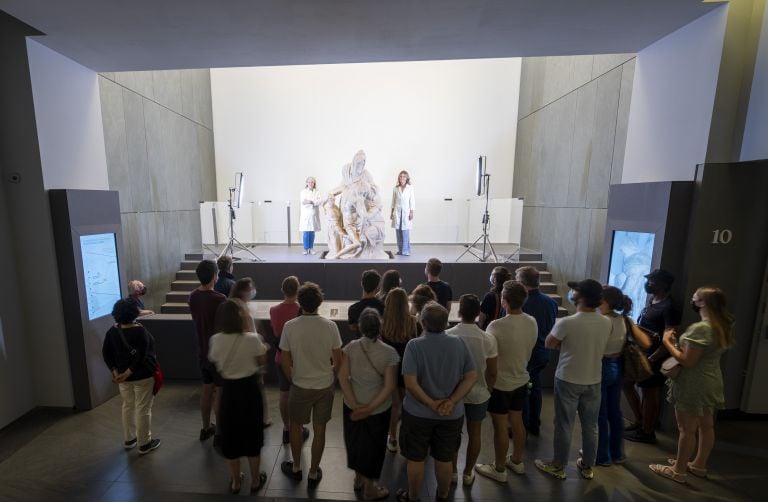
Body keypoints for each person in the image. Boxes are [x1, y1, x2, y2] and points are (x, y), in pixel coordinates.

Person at [649, 286, 735, 483]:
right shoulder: (722, 324)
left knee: (686, 430)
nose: (692, 299)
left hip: (694, 383)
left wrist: (667, 341)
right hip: (712, 380)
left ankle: (678, 471)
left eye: (695, 297)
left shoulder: (701, 328)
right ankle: (698, 464)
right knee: (706, 426)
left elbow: (687, 361)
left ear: (703, 303)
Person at [397, 302, 477, 502]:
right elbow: (471, 376)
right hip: (451, 414)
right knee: (444, 458)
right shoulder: (459, 343)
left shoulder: (414, 346)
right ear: (446, 322)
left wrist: (431, 404)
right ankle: (442, 495)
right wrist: (451, 401)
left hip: (417, 414)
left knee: (415, 458)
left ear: (422, 322)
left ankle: (413, 497)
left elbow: (410, 384)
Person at [535, 279, 612, 481]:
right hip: (594, 379)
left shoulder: (567, 322)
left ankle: (558, 465)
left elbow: (549, 343)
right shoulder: (606, 322)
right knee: (591, 425)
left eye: (575, 290)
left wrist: (568, 345)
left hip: (568, 378)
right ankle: (588, 466)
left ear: (581, 296)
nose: (571, 292)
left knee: (564, 424)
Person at [280, 282, 343, 487]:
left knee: (296, 427)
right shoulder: (330, 326)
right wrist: (331, 373)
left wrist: (293, 378)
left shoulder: (290, 326)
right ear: (319, 302)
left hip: (300, 385)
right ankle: (314, 472)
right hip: (324, 386)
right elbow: (338, 357)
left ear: (300, 301)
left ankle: (297, 467)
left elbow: (285, 360)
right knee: (320, 429)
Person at [476, 281, 537, 482]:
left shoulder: (496, 326)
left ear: (504, 301)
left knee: (500, 426)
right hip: (521, 379)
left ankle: (499, 469)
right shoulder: (532, 321)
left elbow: (488, 354)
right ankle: (517, 461)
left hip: (501, 383)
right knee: (517, 421)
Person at [338, 308, 399, 500]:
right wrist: (370, 408)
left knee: (355, 443)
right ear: (379, 327)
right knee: (374, 447)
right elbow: (389, 387)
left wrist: (356, 405)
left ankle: (358, 478)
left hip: (352, 405)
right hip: (378, 410)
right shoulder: (389, 353)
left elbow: (342, 377)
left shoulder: (350, 347)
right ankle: (370, 488)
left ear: (360, 327)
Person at [208, 300, 268, 494]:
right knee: (253, 436)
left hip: (229, 392)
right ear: (241, 317)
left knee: (230, 438)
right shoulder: (252, 339)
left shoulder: (215, 339)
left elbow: (216, 362)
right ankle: (255, 480)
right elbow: (261, 361)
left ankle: (235, 482)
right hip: (250, 391)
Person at [446, 294, 498, 486]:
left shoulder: (449, 335)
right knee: (475, 434)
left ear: (459, 312)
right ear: (478, 313)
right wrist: (489, 390)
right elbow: (492, 372)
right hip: (479, 394)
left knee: (452, 434)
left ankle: (452, 471)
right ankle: (468, 473)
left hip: (454, 394)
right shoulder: (488, 338)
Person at [625, 269, 681, 444]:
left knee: (650, 393)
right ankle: (640, 421)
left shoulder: (669, 307)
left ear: (664, 284)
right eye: (649, 280)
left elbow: (669, 337)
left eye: (653, 281)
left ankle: (648, 431)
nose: (649, 284)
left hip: (654, 357)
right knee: (627, 385)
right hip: (642, 353)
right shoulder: (652, 300)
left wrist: (654, 358)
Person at [596, 286, 651, 466]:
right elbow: (645, 342)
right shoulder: (625, 319)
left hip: (601, 366)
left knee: (601, 414)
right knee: (615, 411)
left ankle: (602, 455)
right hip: (618, 366)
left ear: (604, 301)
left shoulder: (601, 321)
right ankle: (617, 453)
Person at [101, 298, 161, 455]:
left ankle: (129, 439)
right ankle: (144, 443)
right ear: (134, 312)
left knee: (128, 406)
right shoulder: (140, 330)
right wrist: (129, 371)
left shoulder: (112, 331)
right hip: (142, 376)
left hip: (122, 377)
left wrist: (116, 372)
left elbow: (106, 354)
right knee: (143, 408)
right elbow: (142, 355)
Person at [515, 265, 558, 436]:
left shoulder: (522, 304)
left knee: (524, 389)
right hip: (543, 352)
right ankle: (534, 422)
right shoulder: (551, 303)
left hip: (527, 353)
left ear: (523, 283)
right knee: (536, 387)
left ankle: (523, 425)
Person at [188, 260, 227, 444]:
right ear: (214, 276)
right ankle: (219, 431)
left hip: (202, 350)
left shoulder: (193, 296)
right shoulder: (220, 299)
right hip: (219, 353)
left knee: (206, 389)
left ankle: (205, 427)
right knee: (219, 391)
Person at [268, 276, 309, 445]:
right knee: (298, 395)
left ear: (283, 290)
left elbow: (276, 333)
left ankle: (286, 428)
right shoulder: (302, 310)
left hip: (281, 356)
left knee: (284, 393)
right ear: (298, 290)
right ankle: (297, 428)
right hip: (298, 358)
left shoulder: (273, 310)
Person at [381, 287, 420, 453]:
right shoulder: (413, 322)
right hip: (408, 368)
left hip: (390, 369)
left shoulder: (383, 324)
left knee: (394, 405)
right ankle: (409, 435)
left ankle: (392, 437)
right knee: (409, 404)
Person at [390, 170, 415, 256]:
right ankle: (400, 250)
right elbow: (393, 201)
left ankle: (406, 250)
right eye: (400, 176)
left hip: (406, 213)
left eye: (404, 176)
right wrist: (392, 213)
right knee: (398, 232)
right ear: (399, 178)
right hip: (397, 213)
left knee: (405, 232)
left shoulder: (410, 188)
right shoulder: (396, 188)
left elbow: (412, 201)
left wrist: (411, 212)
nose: (402, 178)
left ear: (407, 178)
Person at [300, 176, 322, 255]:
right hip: (306, 215)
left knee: (312, 232)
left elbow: (319, 201)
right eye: (309, 182)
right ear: (307, 183)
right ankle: (306, 249)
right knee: (306, 232)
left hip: (314, 215)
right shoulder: (303, 192)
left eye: (312, 182)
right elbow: (303, 202)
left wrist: (310, 202)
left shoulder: (317, 192)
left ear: (314, 183)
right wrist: (313, 202)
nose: (311, 183)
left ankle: (311, 248)